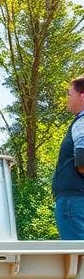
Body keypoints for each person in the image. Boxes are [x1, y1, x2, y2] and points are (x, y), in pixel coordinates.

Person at [53, 76, 84, 240]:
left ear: (82, 96)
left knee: (78, 259)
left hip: (75, 202)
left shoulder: (82, 122)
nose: (67, 99)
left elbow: (82, 160)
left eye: (69, 94)